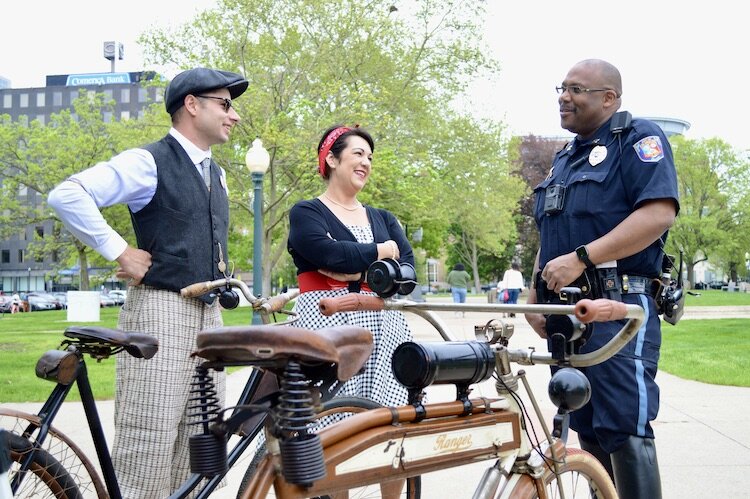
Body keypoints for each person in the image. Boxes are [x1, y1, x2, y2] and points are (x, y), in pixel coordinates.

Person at [47, 67, 248, 498]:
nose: (234, 116)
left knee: (202, 441)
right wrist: (120, 250)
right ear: (191, 105)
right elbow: (68, 194)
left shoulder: (218, 175)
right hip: (162, 309)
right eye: (225, 104)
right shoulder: (148, 161)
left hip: (209, 316)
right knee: (150, 440)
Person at [525, 59, 678, 499]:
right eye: (561, 87)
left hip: (617, 309)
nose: (563, 96)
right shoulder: (565, 157)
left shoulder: (638, 139)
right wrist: (537, 289)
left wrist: (581, 259)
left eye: (576, 89)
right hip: (565, 313)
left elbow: (657, 214)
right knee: (586, 425)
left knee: (624, 428)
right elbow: (551, 228)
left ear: (608, 98)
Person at [287, 124, 414, 411]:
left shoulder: (384, 218)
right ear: (332, 159)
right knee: (324, 416)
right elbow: (330, 255)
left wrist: (356, 273)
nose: (366, 163)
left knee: (384, 417)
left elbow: (408, 277)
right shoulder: (306, 212)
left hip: (384, 327)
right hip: (325, 322)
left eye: (370, 157)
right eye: (358, 153)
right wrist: (382, 252)